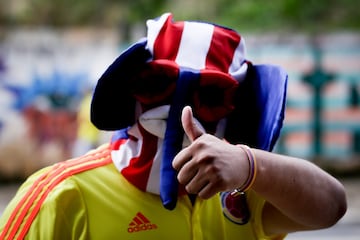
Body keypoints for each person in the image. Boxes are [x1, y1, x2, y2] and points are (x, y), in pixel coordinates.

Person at [0, 13, 346, 240]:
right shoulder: (60, 196)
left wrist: (250, 165)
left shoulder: (244, 192)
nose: (180, 111)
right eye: (157, 86)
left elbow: (331, 207)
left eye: (210, 93)